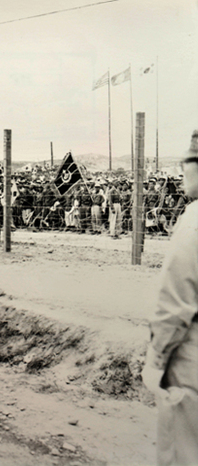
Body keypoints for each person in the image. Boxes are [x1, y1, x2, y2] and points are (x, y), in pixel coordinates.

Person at [142, 130, 198, 465]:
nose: (183, 168)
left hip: (192, 363)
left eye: (189, 161)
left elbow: (174, 303)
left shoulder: (195, 222)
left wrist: (155, 360)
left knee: (184, 452)